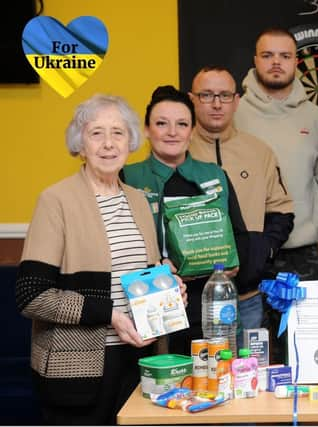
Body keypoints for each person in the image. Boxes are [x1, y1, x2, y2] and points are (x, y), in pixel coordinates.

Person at [15, 94, 186, 425]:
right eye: (96, 133)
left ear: (131, 141)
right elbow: (31, 296)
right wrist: (111, 315)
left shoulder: (139, 201)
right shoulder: (55, 201)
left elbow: (144, 278)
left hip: (140, 360)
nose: (108, 144)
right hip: (77, 369)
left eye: (118, 133)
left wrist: (168, 289)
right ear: (80, 143)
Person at [121, 85, 249, 355]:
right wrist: (156, 265)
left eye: (181, 124)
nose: (172, 132)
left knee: (214, 381)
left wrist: (232, 262)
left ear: (192, 131)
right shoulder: (128, 178)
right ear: (146, 130)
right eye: (161, 123)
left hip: (211, 305)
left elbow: (240, 238)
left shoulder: (214, 175)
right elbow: (117, 246)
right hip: (151, 304)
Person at [188, 66, 294, 340]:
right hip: (192, 299)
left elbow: (282, 211)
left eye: (224, 95)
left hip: (248, 294)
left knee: (248, 374)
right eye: (206, 95)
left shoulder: (259, 151)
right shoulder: (178, 150)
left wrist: (262, 251)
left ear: (236, 101)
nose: (216, 104)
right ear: (192, 99)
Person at [234, 27, 318, 281]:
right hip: (244, 249)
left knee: (303, 323)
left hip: (302, 254)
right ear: (255, 61)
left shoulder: (315, 118)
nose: (276, 62)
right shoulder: (233, 113)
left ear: (296, 62)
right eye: (267, 55)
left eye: (285, 56)